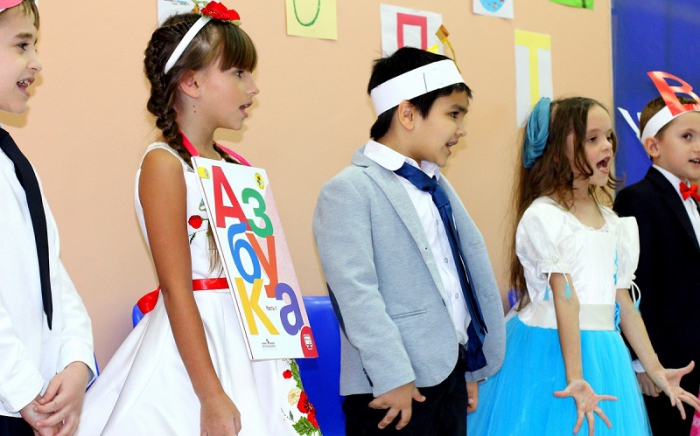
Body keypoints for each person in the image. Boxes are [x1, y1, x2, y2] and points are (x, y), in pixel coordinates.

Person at [77, 4, 320, 435]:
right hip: (196, 345)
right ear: (191, 83)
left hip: (253, 338)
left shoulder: (238, 168)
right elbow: (176, 287)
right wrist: (210, 395)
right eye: (239, 73)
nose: (253, 87)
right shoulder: (164, 164)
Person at [467, 96, 700, 435]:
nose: (607, 146)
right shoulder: (545, 216)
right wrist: (575, 376)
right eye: (592, 139)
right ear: (557, 153)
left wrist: (655, 368)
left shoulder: (613, 222)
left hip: (606, 353)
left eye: (609, 137)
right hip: (551, 353)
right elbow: (565, 298)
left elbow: (624, 303)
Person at [312, 47, 506, 436]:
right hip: (393, 387)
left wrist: (468, 365)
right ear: (408, 114)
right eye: (453, 114)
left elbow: (456, 278)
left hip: (448, 377)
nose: (461, 130)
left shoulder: (436, 185)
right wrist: (392, 375)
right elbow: (355, 293)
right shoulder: (350, 189)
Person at [0, 1, 96, 435]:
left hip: (28, 404)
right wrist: (25, 391)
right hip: (18, 399)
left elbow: (51, 275)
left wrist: (75, 362)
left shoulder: (16, 164)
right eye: (22, 45)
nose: (37, 62)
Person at [614, 90, 700, 435]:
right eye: (687, 136)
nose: (698, 147)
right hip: (662, 362)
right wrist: (641, 363)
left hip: (691, 358)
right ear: (653, 146)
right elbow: (633, 286)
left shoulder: (694, 202)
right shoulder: (637, 200)